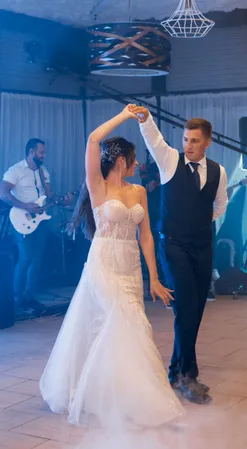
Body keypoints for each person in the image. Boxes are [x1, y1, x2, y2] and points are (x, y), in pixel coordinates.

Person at [39, 106, 184, 430]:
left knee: (132, 326)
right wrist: (124, 115)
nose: (138, 165)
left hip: (130, 266)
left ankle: (119, 392)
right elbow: (93, 140)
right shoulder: (98, 186)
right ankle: (131, 398)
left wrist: (154, 278)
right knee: (123, 321)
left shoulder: (139, 191)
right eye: (134, 160)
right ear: (123, 161)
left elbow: (145, 235)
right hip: (103, 263)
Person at [130, 104, 228, 404]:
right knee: (185, 305)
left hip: (202, 245)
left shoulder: (218, 171)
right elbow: (155, 140)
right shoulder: (170, 160)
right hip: (173, 244)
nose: (189, 145)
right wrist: (146, 119)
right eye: (186, 139)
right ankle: (188, 374)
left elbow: (220, 206)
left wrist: (198, 223)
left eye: (195, 140)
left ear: (207, 142)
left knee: (195, 309)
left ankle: (174, 370)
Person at [0, 138, 72, 313]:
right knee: (25, 258)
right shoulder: (15, 171)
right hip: (21, 218)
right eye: (41, 152)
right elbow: (3, 193)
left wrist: (63, 201)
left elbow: (50, 194)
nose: (44, 155)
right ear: (31, 152)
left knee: (37, 259)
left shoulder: (43, 172)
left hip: (40, 220)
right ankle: (16, 299)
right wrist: (25, 206)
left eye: (44, 152)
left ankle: (29, 296)